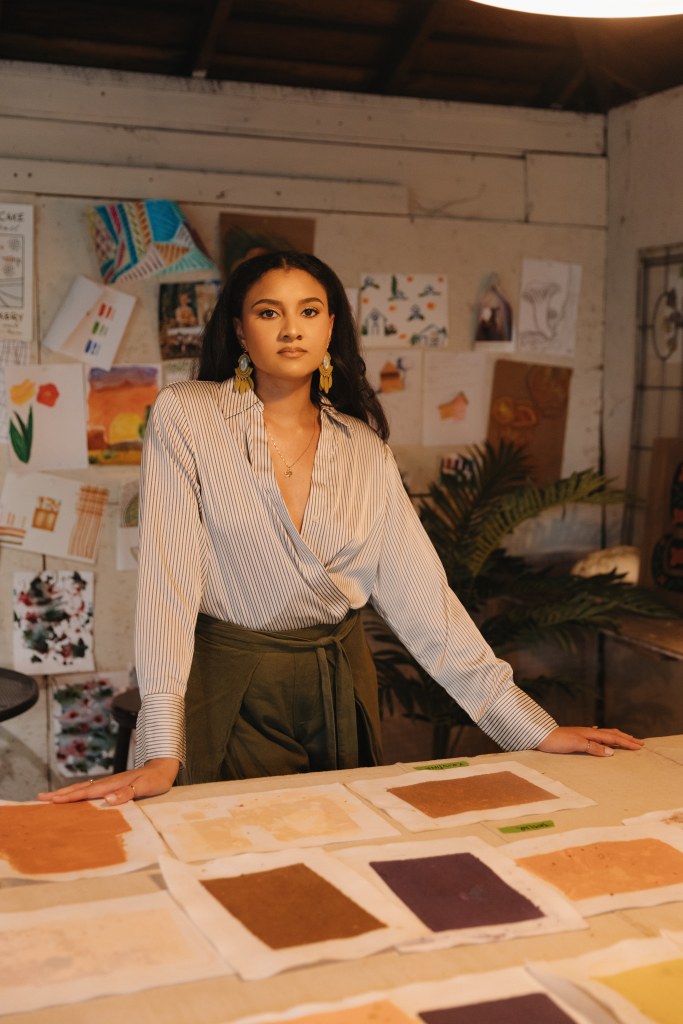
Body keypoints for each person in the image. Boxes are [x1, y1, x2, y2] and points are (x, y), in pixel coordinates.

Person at [39, 252, 642, 807]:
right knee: (239, 856)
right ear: (240, 331)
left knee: (337, 845)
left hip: (338, 683)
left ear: (331, 328)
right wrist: (164, 745)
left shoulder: (364, 451)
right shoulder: (188, 415)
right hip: (232, 681)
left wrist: (534, 728)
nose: (291, 329)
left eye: (309, 311)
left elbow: (426, 604)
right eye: (268, 312)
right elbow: (167, 585)